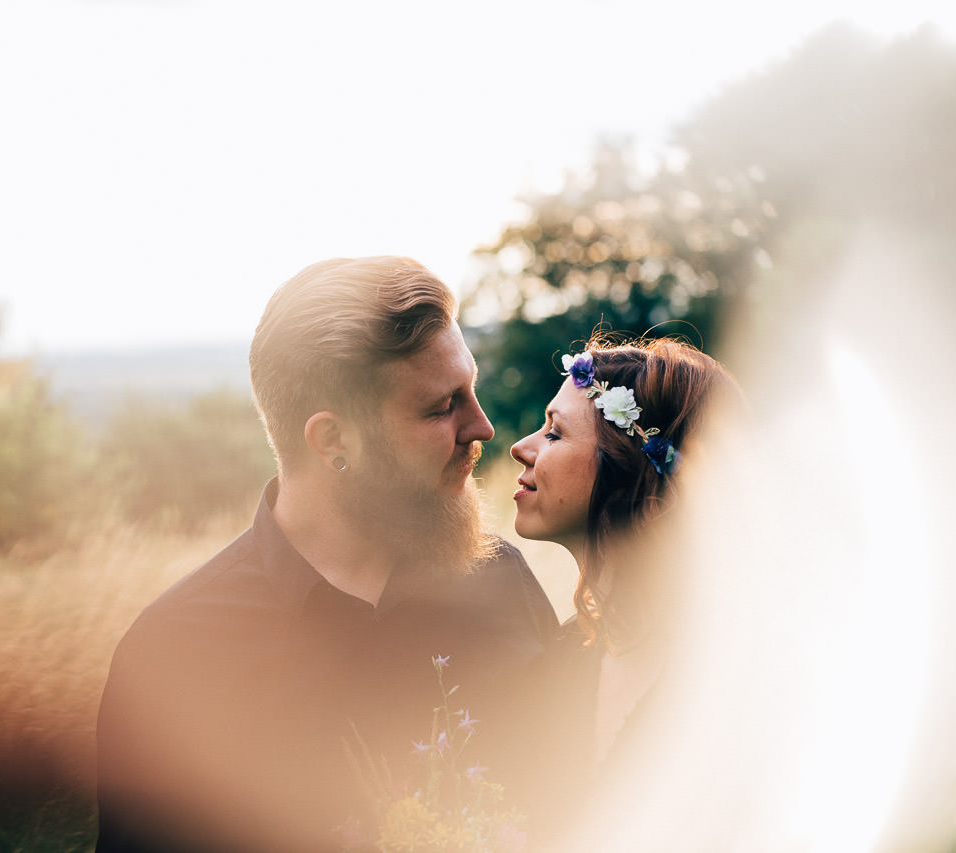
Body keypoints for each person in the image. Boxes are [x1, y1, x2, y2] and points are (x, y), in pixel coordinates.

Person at [95, 257, 558, 852]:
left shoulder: (498, 579)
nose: (484, 427)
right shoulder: (173, 655)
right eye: (440, 407)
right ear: (333, 441)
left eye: (470, 390)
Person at [507, 335, 741, 832]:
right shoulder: (564, 657)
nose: (519, 448)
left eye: (554, 433)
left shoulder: (733, 678)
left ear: (637, 473)